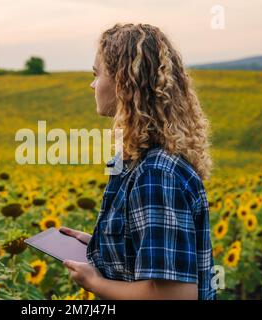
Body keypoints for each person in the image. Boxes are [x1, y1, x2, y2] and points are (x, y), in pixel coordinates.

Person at [60, 23, 216, 300]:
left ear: (123, 82)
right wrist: (100, 245)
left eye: (97, 74)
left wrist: (95, 282)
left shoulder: (156, 173)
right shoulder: (133, 160)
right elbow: (144, 252)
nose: (92, 84)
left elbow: (175, 296)